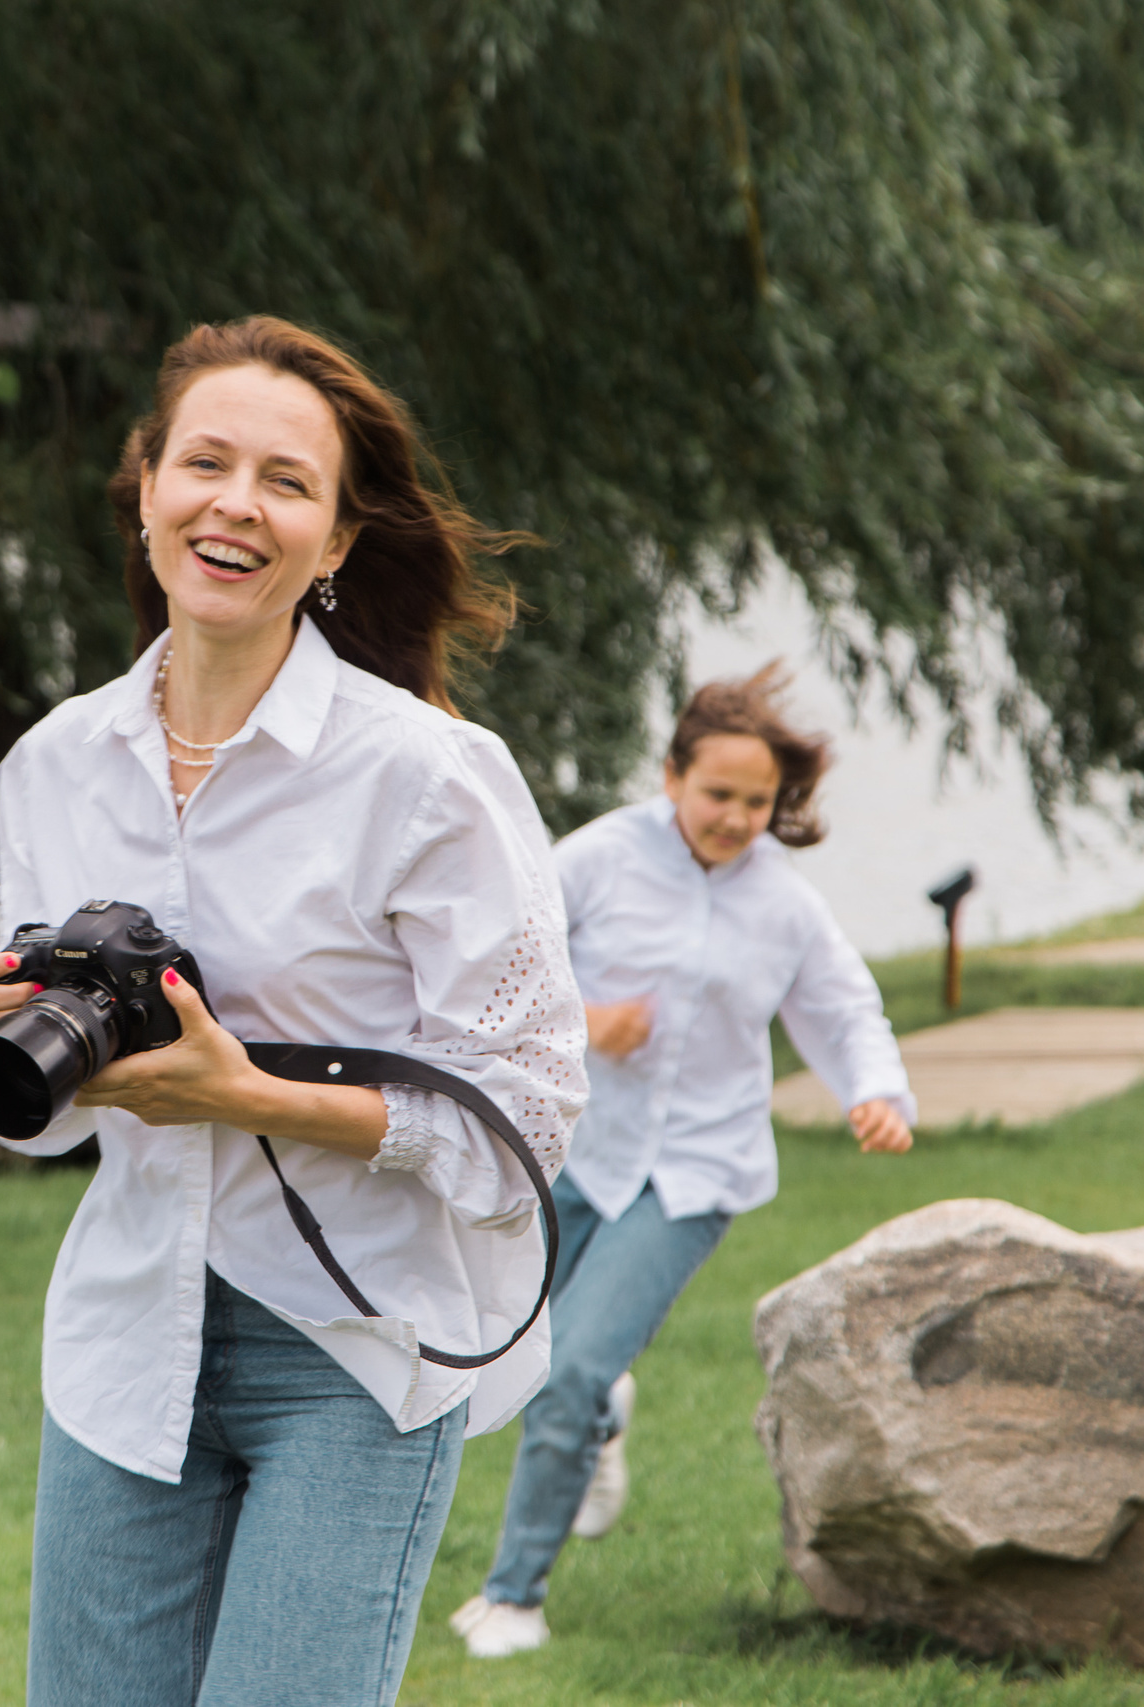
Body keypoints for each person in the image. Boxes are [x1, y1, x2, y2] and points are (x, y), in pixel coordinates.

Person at [0, 316, 587, 1707]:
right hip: (127, 1339)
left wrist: (245, 1095)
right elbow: (54, 1140)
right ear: (144, 488)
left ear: (341, 540)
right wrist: (40, 1057)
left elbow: (528, 1124)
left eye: (287, 481)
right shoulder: (53, 766)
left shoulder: (430, 776)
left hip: (352, 1348)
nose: (236, 504)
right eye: (206, 462)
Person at [448, 664, 917, 1661]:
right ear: (670, 777)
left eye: (758, 802)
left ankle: (512, 1597)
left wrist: (874, 1091)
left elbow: (840, 1006)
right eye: (717, 794)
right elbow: (494, 971)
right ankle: (603, 1417)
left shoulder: (784, 907)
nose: (736, 817)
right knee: (508, 1351)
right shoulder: (594, 860)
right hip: (570, 1149)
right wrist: (585, 1023)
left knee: (569, 1366)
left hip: (698, 1170)